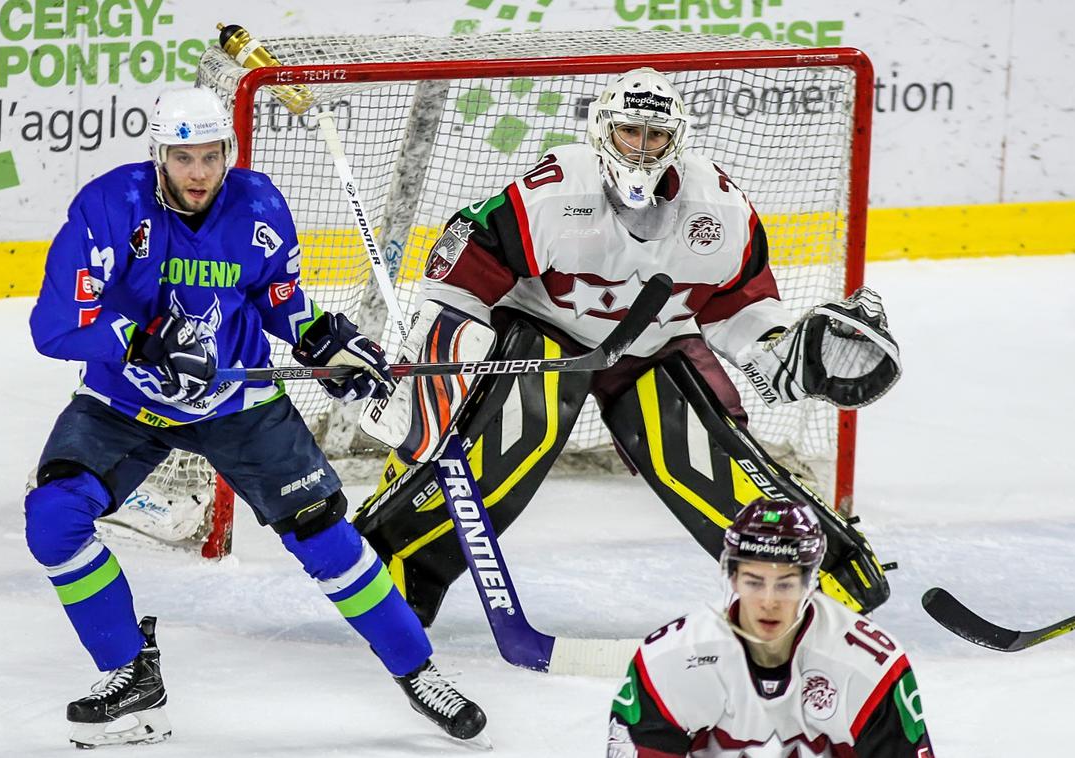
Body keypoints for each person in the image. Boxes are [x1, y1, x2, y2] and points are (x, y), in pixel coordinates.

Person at [353, 67, 902, 627]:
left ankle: (815, 576)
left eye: (656, 135)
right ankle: (394, 563)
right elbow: (463, 273)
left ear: (677, 138)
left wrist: (780, 351)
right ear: (601, 132)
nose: (642, 150)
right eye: (629, 132)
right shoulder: (556, 193)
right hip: (547, 333)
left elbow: (739, 303)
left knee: (714, 458)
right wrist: (441, 357)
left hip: (656, 343)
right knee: (507, 444)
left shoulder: (721, 211)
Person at [24, 86, 486, 748]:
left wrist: (326, 341)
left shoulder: (260, 204)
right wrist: (138, 341)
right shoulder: (108, 206)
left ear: (228, 152)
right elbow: (55, 324)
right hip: (125, 400)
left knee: (326, 537)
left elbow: (280, 302)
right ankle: (130, 672)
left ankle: (420, 674)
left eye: (211, 156)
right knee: (54, 517)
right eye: (182, 158)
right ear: (159, 155)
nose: (199, 174)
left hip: (237, 402)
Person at [606, 499, 934, 756]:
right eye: (754, 581)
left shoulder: (866, 664)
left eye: (785, 584)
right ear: (732, 578)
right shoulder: (670, 659)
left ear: (809, 584)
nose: (768, 601)